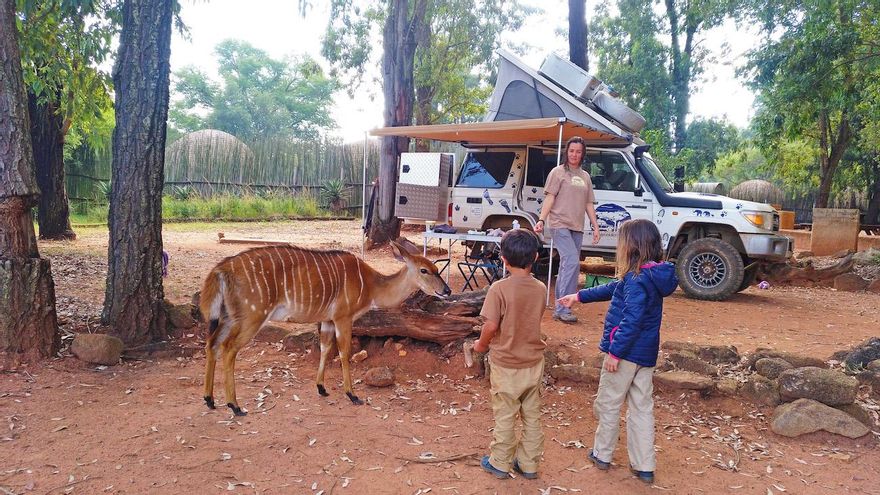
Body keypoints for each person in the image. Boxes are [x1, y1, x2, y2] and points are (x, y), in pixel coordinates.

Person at [557, 219, 678, 484]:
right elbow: (614, 288)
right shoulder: (649, 275)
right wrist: (578, 297)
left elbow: (631, 320)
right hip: (645, 357)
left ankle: (602, 454)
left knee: (608, 403)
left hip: (624, 355)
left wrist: (615, 353)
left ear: (632, 246)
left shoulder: (636, 279)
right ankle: (644, 466)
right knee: (641, 408)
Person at [473, 229, 547, 480]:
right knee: (532, 415)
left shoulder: (498, 289)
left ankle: (500, 462)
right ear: (535, 257)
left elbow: (491, 326)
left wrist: (481, 346)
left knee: (505, 414)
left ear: (502, 258)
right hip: (534, 363)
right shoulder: (540, 288)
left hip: (506, 364)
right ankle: (529, 464)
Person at [534, 136, 600, 323]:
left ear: (582, 154)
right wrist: (541, 219)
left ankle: (562, 306)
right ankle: (562, 308)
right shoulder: (558, 172)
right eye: (571, 151)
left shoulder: (585, 176)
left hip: (577, 226)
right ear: (566, 152)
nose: (574, 154)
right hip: (559, 223)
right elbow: (550, 198)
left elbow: (588, 204)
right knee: (571, 262)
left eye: (578, 151)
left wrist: (595, 227)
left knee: (568, 265)